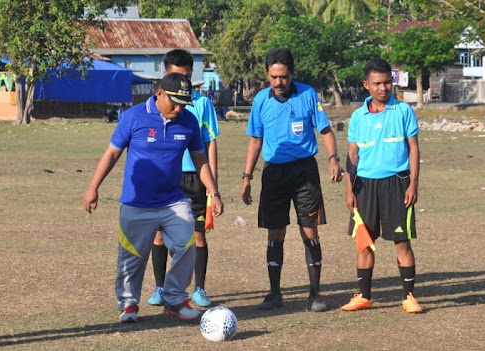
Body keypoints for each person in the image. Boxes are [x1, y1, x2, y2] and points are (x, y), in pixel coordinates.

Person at [83, 72, 223, 323]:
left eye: (184, 103)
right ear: (159, 94)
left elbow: (200, 159)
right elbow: (112, 154)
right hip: (136, 202)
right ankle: (128, 305)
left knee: (186, 244)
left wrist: (214, 191)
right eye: (175, 102)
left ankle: (175, 299)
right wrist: (94, 187)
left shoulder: (189, 121)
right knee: (131, 257)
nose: (179, 109)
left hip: (173, 200)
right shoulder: (134, 117)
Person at [241, 48, 343, 312]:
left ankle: (315, 295)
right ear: (267, 75)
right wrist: (247, 177)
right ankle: (275, 293)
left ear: (292, 74)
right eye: (273, 77)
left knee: (309, 230)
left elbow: (325, 130)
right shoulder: (261, 101)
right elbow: (255, 140)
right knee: (275, 233)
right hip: (273, 173)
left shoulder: (308, 94)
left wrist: (333, 158)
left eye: (283, 77)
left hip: (304, 172)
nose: (278, 82)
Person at [341, 58, 422, 313]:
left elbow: (413, 149)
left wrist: (413, 184)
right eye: (377, 83)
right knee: (364, 242)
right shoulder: (357, 117)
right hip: (364, 187)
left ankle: (408, 296)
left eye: (387, 82)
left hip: (397, 184)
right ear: (367, 85)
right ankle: (364, 296)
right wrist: (349, 189)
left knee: (402, 242)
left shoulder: (403, 111)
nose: (383, 87)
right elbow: (352, 155)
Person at [146, 49, 220, 308]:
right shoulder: (155, 105)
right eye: (175, 76)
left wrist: (214, 185)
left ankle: (199, 289)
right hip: (165, 179)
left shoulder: (201, 104)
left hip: (195, 179)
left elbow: (209, 143)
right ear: (164, 74)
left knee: (199, 235)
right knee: (158, 234)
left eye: (186, 76)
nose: (181, 82)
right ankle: (159, 288)